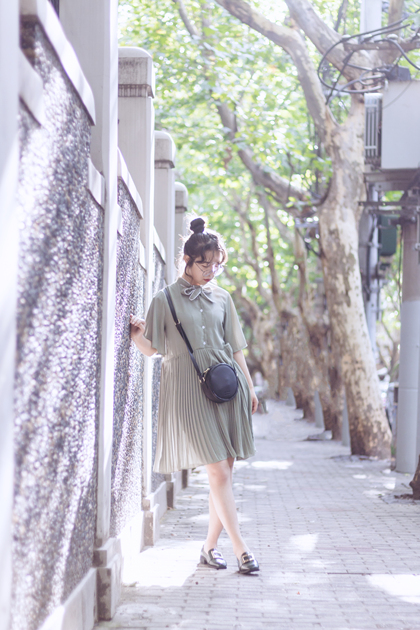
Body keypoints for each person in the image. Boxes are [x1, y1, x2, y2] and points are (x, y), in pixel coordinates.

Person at [130, 217, 260, 574]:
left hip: (228, 386)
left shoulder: (223, 297)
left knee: (225, 472)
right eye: (205, 265)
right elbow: (153, 349)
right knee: (217, 470)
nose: (211, 272)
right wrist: (136, 337)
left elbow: (235, 347)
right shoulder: (164, 299)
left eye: (217, 265)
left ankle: (209, 547)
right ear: (186, 260)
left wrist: (249, 387)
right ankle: (241, 548)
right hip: (188, 389)